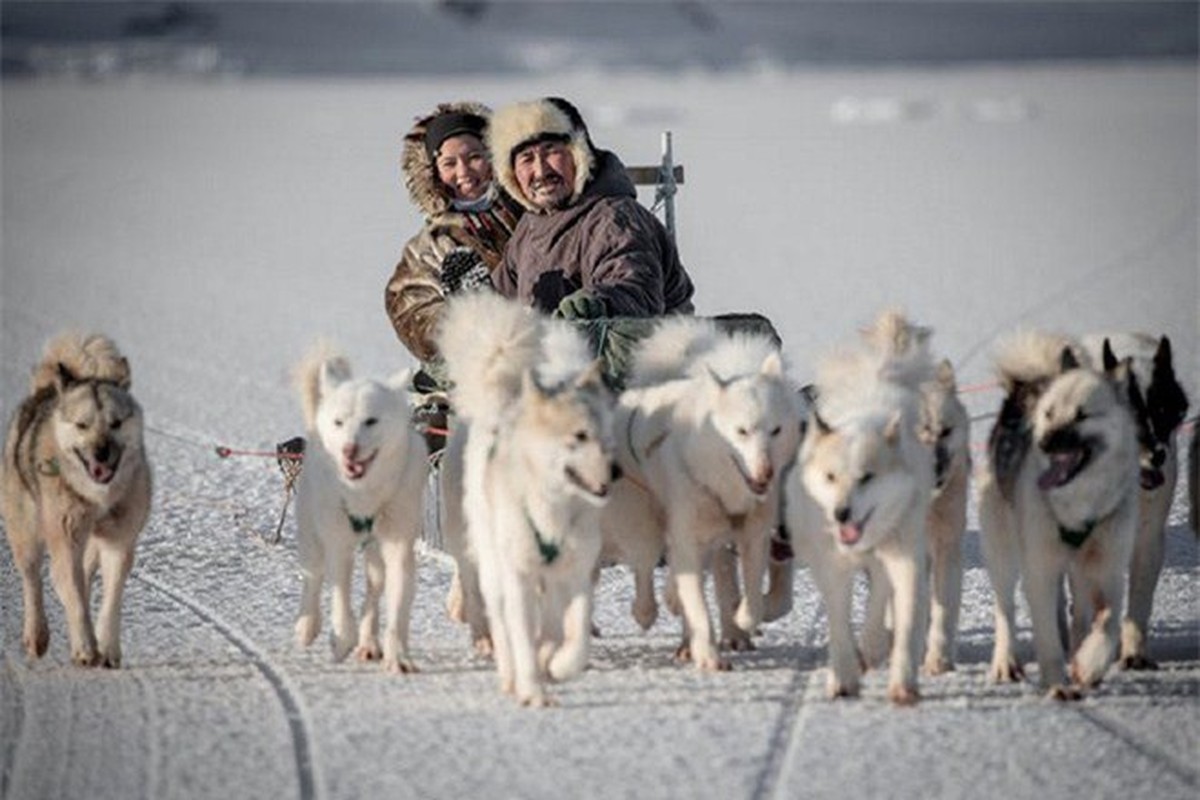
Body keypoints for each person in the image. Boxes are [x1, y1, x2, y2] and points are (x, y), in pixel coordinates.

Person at [383, 101, 524, 450]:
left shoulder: (533, 217)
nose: (464, 171)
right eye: (449, 163)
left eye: (475, 156)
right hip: (469, 370)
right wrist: (462, 320)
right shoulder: (428, 246)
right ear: (432, 173)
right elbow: (410, 310)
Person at [487, 97, 696, 325]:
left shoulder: (613, 217)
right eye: (527, 159)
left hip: (639, 354)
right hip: (556, 354)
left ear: (579, 155)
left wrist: (597, 303)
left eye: (551, 152)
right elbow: (502, 301)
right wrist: (474, 300)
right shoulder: (528, 228)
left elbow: (636, 289)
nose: (540, 171)